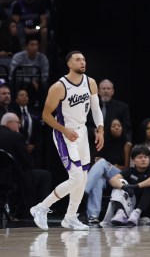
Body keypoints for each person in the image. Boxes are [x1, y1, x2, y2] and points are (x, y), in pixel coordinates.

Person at [30, 51, 105, 231]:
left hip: (82, 132)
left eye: (84, 59)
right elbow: (46, 115)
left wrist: (100, 130)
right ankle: (41, 207)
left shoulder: (90, 82)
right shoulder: (59, 87)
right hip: (64, 133)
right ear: (69, 64)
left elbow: (96, 110)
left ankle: (70, 217)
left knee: (83, 178)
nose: (82, 62)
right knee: (76, 177)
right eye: (78, 59)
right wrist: (64, 130)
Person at [84, 118, 131, 225]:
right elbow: (96, 161)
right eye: (113, 126)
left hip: (119, 176)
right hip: (106, 177)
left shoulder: (126, 144)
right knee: (98, 180)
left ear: (122, 128)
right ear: (109, 129)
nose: (117, 128)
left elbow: (127, 168)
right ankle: (93, 216)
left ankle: (84, 189)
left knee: (103, 163)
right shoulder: (104, 143)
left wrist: (111, 165)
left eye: (119, 126)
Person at [106, 145, 150, 226]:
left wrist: (136, 186)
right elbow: (113, 180)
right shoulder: (129, 171)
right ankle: (121, 213)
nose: (143, 160)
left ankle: (137, 212)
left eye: (146, 157)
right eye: (139, 157)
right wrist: (124, 187)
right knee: (120, 182)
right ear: (133, 160)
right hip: (131, 206)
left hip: (148, 209)